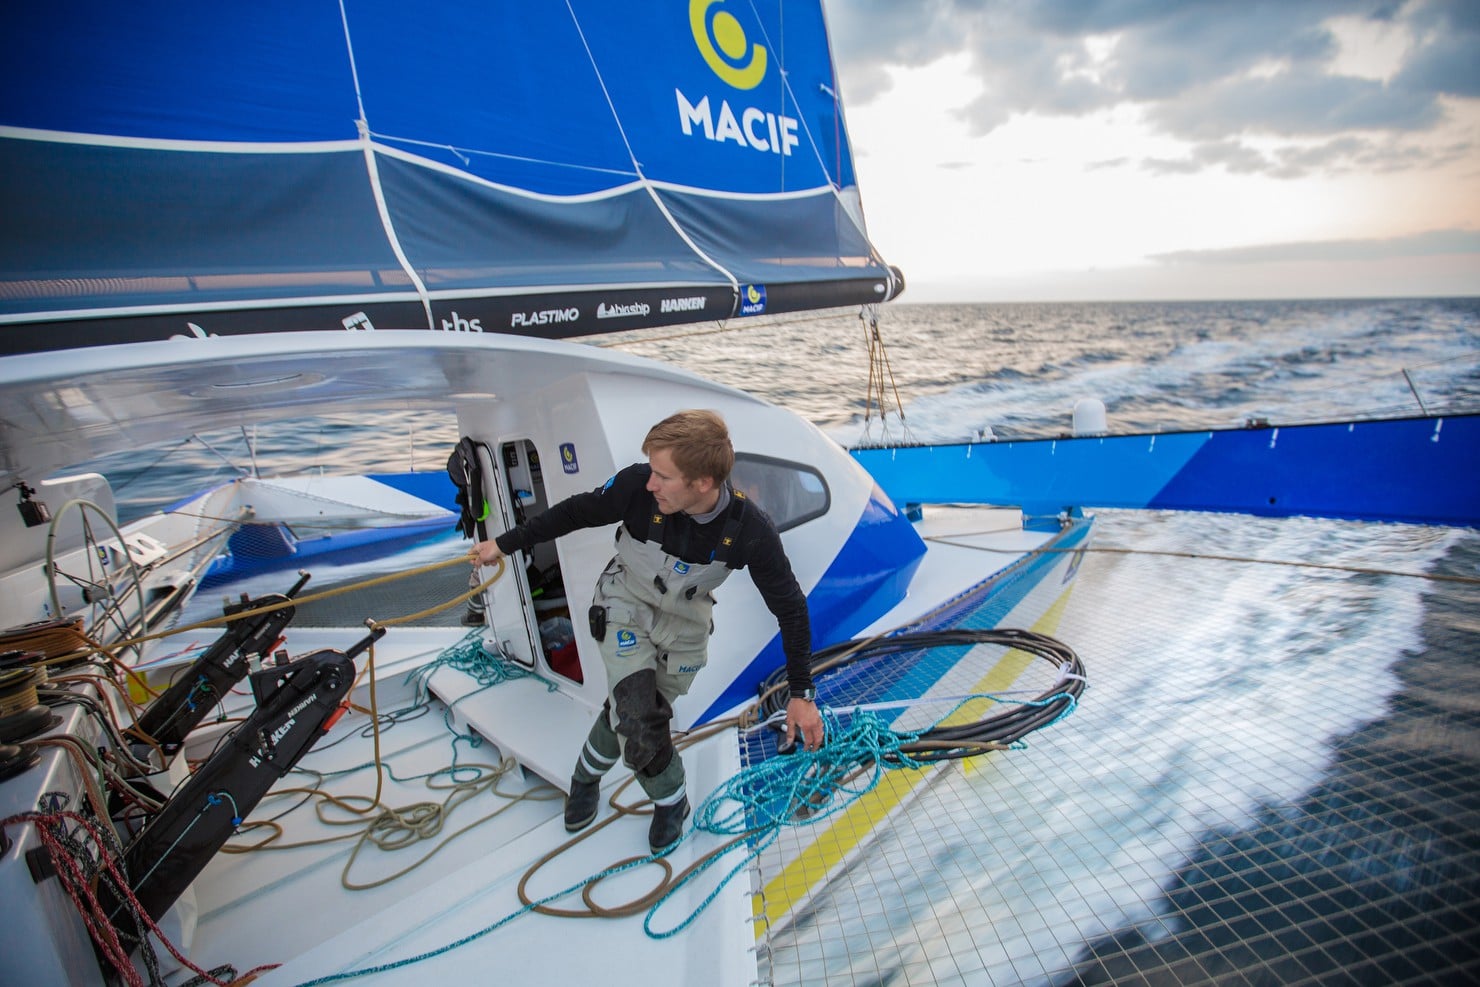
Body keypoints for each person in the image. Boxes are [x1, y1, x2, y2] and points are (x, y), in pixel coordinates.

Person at [470, 410, 822, 854]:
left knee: (632, 712)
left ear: (703, 484)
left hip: (685, 627)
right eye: (652, 472)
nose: (650, 483)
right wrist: (502, 544)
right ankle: (672, 800)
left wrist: (801, 694)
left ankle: (585, 774)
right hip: (624, 605)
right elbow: (576, 512)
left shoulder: (751, 532)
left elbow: (791, 609)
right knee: (637, 718)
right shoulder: (638, 488)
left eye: (663, 476)